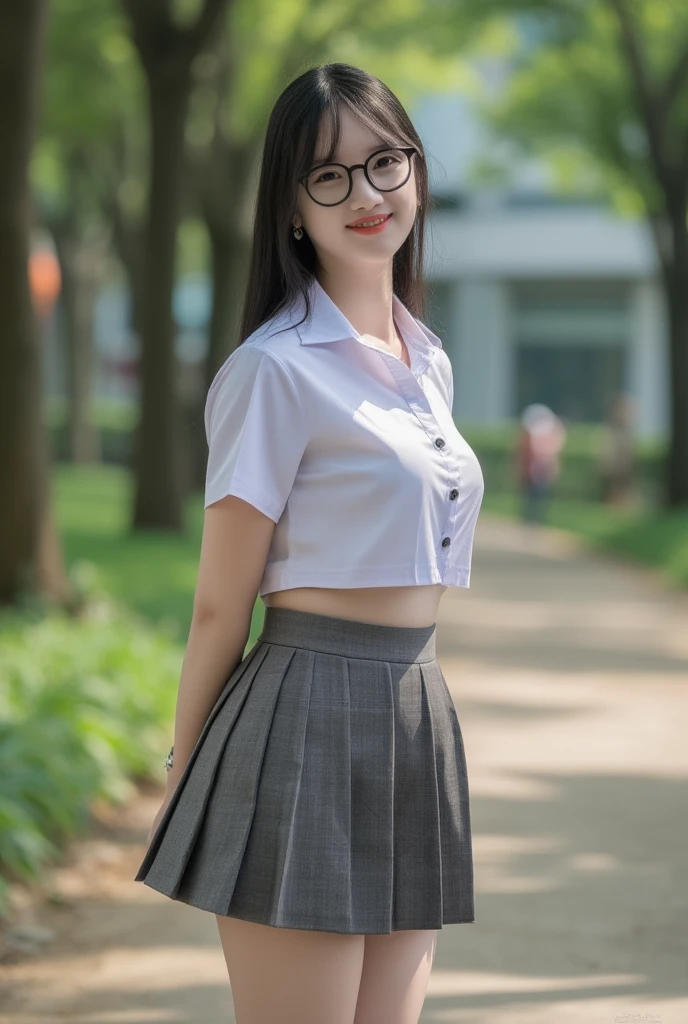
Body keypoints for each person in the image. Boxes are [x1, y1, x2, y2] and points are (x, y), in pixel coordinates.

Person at [134, 63, 485, 1024]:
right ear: (291, 207)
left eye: (385, 163)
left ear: (416, 171)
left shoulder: (430, 362)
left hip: (416, 711)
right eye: (328, 176)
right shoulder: (272, 371)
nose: (365, 195)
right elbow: (220, 602)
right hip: (304, 718)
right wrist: (187, 772)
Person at [516, 403, 566, 525]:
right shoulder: (535, 437)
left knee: (540, 495)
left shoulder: (544, 436)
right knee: (531, 495)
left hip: (541, 471)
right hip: (533, 471)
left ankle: (536, 519)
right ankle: (530, 519)